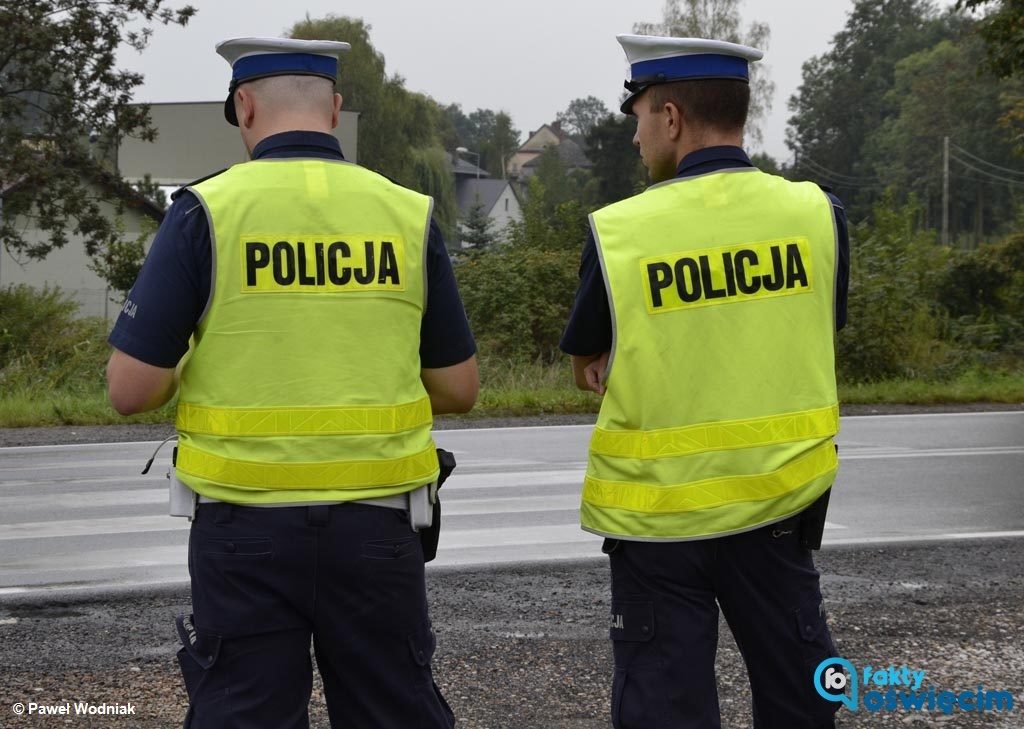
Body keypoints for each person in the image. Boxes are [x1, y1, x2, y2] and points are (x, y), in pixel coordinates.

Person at [106, 37, 477, 729]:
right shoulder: (407, 213)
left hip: (243, 534)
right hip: (378, 529)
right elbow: (459, 386)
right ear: (333, 109)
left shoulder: (206, 211)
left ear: (243, 107)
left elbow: (130, 387)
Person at [560, 34, 850, 729]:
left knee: (665, 708)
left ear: (670, 117)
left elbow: (586, 366)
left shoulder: (622, 231)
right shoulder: (817, 214)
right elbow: (816, 326)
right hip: (780, 510)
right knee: (805, 700)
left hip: (658, 526)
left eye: (636, 116)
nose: (634, 136)